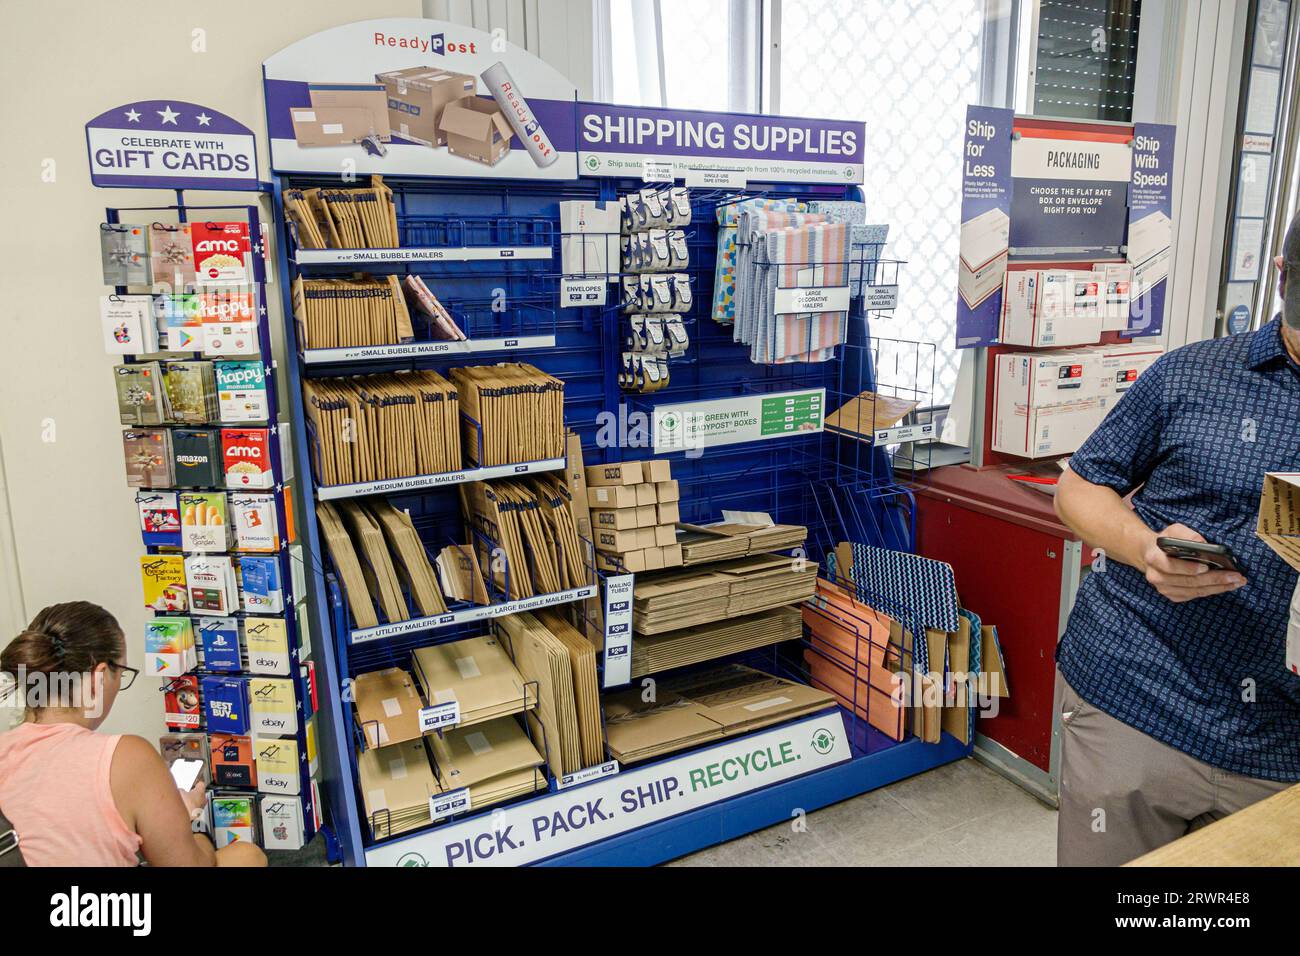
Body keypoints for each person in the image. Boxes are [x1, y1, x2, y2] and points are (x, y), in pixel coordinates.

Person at [1051, 211, 1300, 866]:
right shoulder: (1192, 376)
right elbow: (1078, 488)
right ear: (1282, 277)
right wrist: (1146, 549)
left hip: (1283, 744)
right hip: (1139, 693)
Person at [0, 601, 265, 867]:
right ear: (99, 677)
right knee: (246, 857)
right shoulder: (127, 756)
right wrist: (187, 820)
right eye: (122, 673)